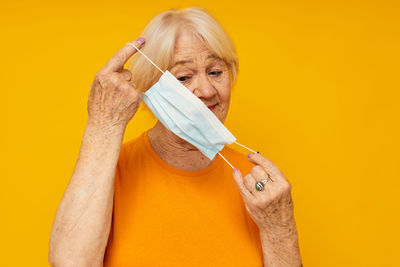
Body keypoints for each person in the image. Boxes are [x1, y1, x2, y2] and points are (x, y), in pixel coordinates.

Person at [49, 7, 302, 267]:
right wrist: (103, 124)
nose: (206, 90)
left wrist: (281, 230)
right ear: (150, 87)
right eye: (183, 77)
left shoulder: (260, 188)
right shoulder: (109, 171)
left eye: (215, 72)